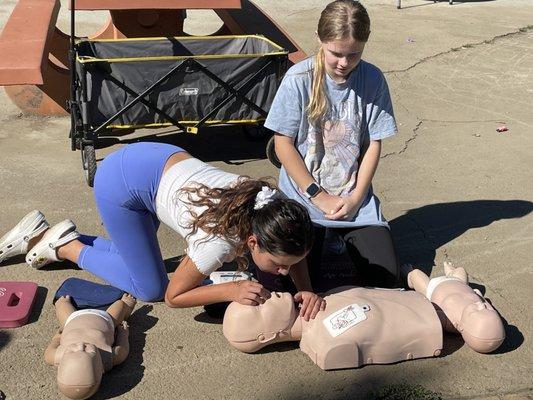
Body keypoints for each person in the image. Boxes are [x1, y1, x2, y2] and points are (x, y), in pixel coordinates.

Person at [0, 142, 324, 319]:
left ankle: (64, 236)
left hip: (158, 158)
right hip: (121, 182)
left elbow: (294, 254)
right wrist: (232, 290)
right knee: (151, 287)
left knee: (141, 262)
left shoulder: (274, 207)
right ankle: (66, 246)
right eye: (281, 262)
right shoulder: (217, 243)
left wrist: (307, 288)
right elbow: (175, 297)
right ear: (252, 241)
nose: (286, 270)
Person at [264, 0, 399, 289]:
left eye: (354, 55)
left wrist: (356, 197)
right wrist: (317, 194)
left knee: (387, 279)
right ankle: (329, 239)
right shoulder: (298, 78)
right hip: (304, 198)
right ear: (320, 39)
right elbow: (282, 143)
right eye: (336, 53)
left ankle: (337, 238)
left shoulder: (372, 79)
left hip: (352, 200)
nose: (344, 63)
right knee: (293, 287)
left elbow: (373, 144)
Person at [223, 286, 443, 370]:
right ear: (267, 336)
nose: (266, 295)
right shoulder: (326, 344)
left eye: (259, 296)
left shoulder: (319, 299)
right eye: (259, 305)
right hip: (437, 320)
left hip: (423, 299)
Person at [44, 294, 136, 399]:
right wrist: (123, 334)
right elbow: (123, 348)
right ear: (101, 367)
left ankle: (63, 302)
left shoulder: (54, 356)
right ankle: (127, 306)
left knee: (61, 306)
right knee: (120, 305)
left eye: (72, 351)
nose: (80, 345)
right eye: (88, 351)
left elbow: (51, 348)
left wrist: (56, 338)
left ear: (60, 365)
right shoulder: (110, 356)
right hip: (106, 318)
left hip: (72, 319)